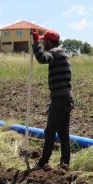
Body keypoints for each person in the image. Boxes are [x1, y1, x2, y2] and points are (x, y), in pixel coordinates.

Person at [30, 28, 73, 169]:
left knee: (49, 132)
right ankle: (65, 163)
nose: (43, 44)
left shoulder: (55, 53)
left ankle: (43, 162)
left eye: (44, 41)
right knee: (63, 133)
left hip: (60, 99)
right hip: (66, 98)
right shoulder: (63, 53)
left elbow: (42, 58)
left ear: (49, 41)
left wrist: (35, 42)